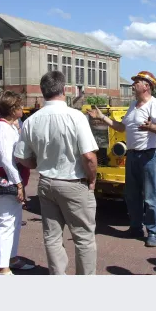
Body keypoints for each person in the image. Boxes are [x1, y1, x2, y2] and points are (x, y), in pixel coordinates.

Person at [15, 71, 99, 275]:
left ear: (43, 92)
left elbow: (21, 156)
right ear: (64, 90)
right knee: (84, 238)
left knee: (52, 237)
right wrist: (92, 179)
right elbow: (88, 156)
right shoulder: (76, 117)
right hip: (73, 182)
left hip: (46, 183)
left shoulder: (31, 120)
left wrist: (36, 163)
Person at [87, 70, 156, 247]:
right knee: (131, 195)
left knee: (150, 196)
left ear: (147, 86)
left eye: (137, 82)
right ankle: (135, 227)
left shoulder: (155, 105)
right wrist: (102, 117)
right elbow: (121, 127)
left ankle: (153, 232)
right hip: (132, 154)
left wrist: (151, 126)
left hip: (150, 155)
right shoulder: (133, 106)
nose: (133, 84)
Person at [0, 90, 35, 275]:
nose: (23, 108)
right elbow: (7, 160)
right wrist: (18, 184)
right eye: (20, 105)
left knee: (14, 221)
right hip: (6, 179)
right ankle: (3, 267)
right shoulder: (2, 128)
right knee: (7, 222)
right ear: (13, 108)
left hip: (11, 177)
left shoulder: (7, 126)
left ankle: (11, 258)